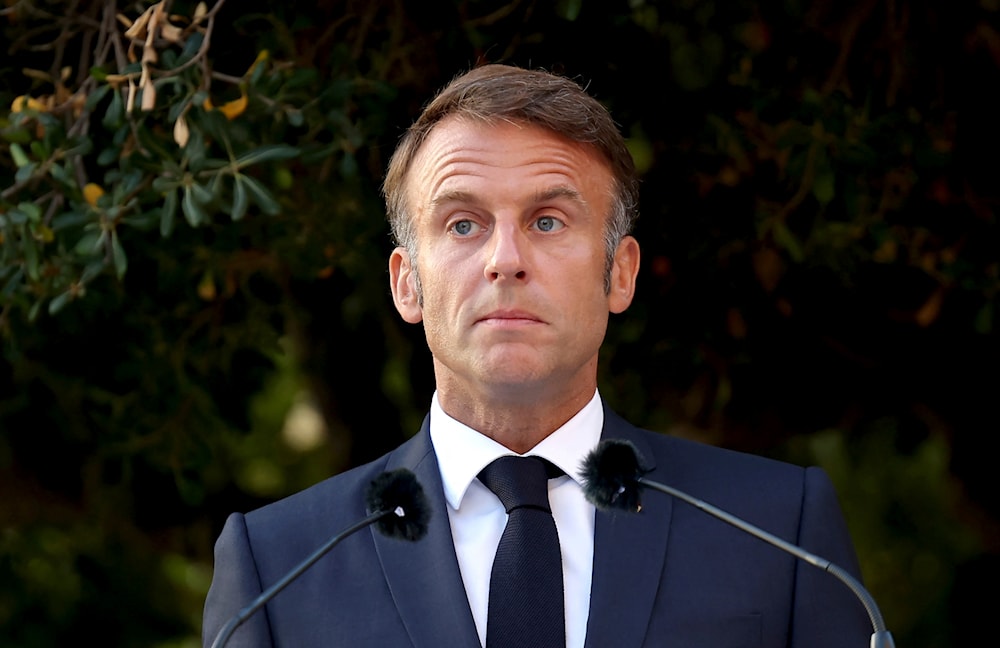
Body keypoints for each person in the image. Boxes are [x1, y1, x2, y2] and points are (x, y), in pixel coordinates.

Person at [202, 63, 874, 647]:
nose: (505, 260)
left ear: (620, 273)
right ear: (407, 282)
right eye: (463, 224)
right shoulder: (279, 567)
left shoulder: (777, 535)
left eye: (548, 221)